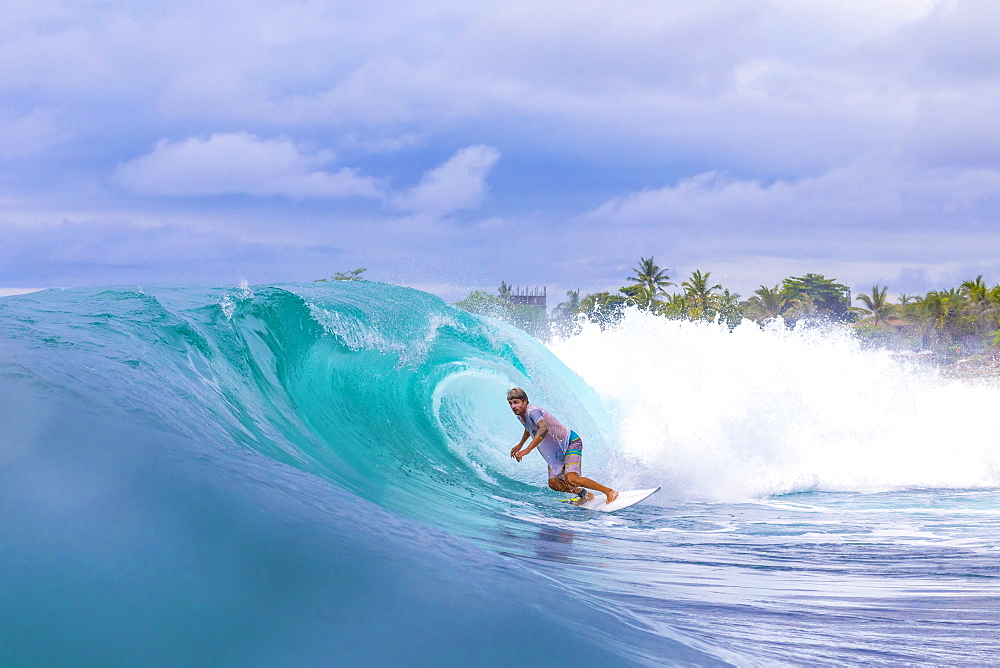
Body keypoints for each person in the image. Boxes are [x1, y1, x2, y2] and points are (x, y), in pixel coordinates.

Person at [507, 387, 618, 506]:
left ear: (525, 401)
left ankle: (609, 491)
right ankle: (584, 495)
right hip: (557, 449)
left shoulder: (532, 412)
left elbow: (543, 428)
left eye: (516, 402)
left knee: (571, 479)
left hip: (571, 442)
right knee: (554, 483)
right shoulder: (520, 415)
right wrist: (520, 444)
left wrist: (527, 450)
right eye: (511, 403)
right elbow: (529, 428)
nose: (513, 406)